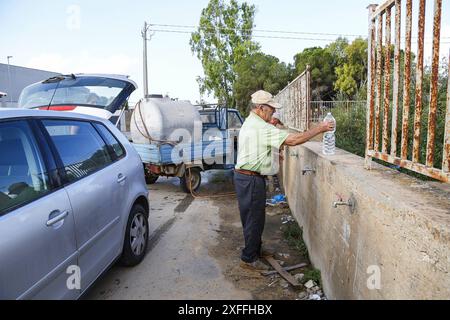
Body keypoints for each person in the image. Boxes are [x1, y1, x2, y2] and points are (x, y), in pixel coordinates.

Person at [234, 90, 334, 270]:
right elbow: (294, 140)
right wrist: (320, 128)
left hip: (246, 178)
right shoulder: (261, 127)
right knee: (253, 219)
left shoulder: (252, 122)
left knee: (254, 218)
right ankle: (249, 259)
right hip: (250, 180)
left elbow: (257, 148)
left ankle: (255, 250)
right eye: (271, 109)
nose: (273, 112)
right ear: (261, 108)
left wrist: (272, 155)